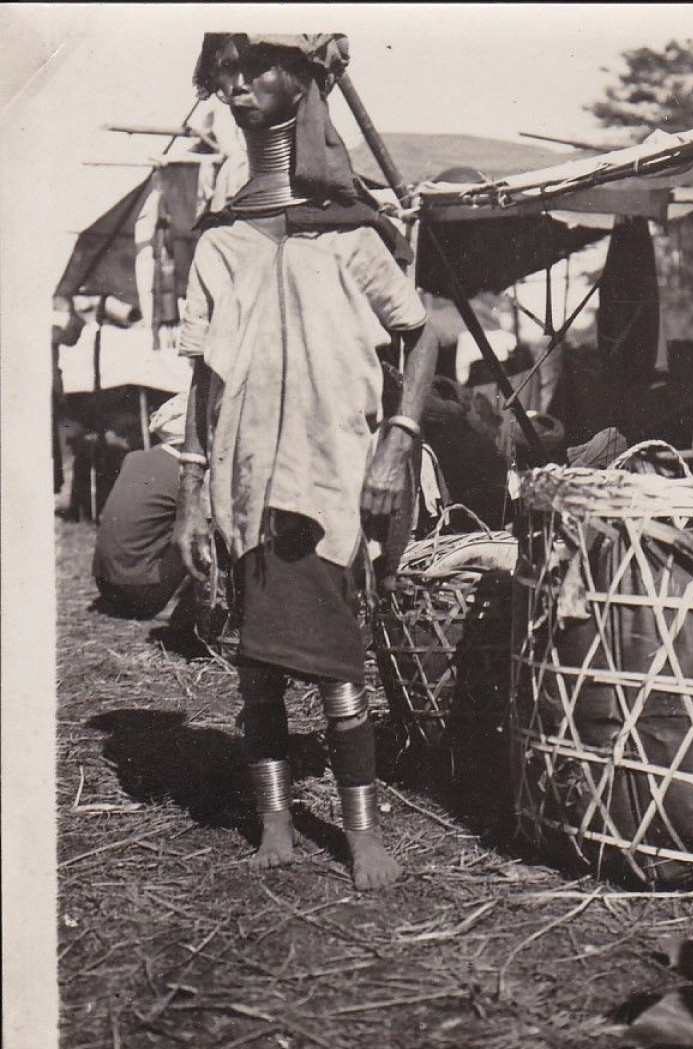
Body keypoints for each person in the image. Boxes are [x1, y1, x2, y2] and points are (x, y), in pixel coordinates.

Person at [173, 33, 438, 890]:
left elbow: (421, 329)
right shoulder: (221, 239)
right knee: (257, 671)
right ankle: (276, 823)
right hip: (242, 481)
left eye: (256, 69)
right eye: (228, 76)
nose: (238, 86)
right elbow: (201, 373)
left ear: (306, 81)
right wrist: (189, 491)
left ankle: (360, 835)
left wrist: (398, 436)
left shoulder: (351, 232)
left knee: (335, 672)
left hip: (332, 478)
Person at [93, 393, 190, 619]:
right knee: (198, 529)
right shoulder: (184, 474)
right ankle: (178, 607)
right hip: (143, 596)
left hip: (106, 586)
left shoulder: (134, 458)